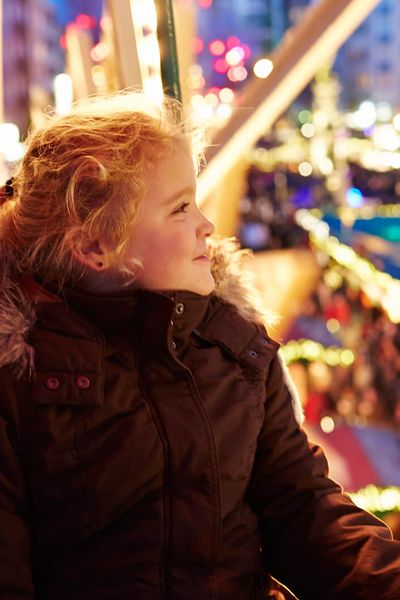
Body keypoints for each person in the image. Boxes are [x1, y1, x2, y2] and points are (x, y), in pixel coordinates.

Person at [0, 91, 399, 600]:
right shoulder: (18, 380)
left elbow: (301, 507)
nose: (206, 225)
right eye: (180, 207)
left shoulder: (234, 347)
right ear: (96, 246)